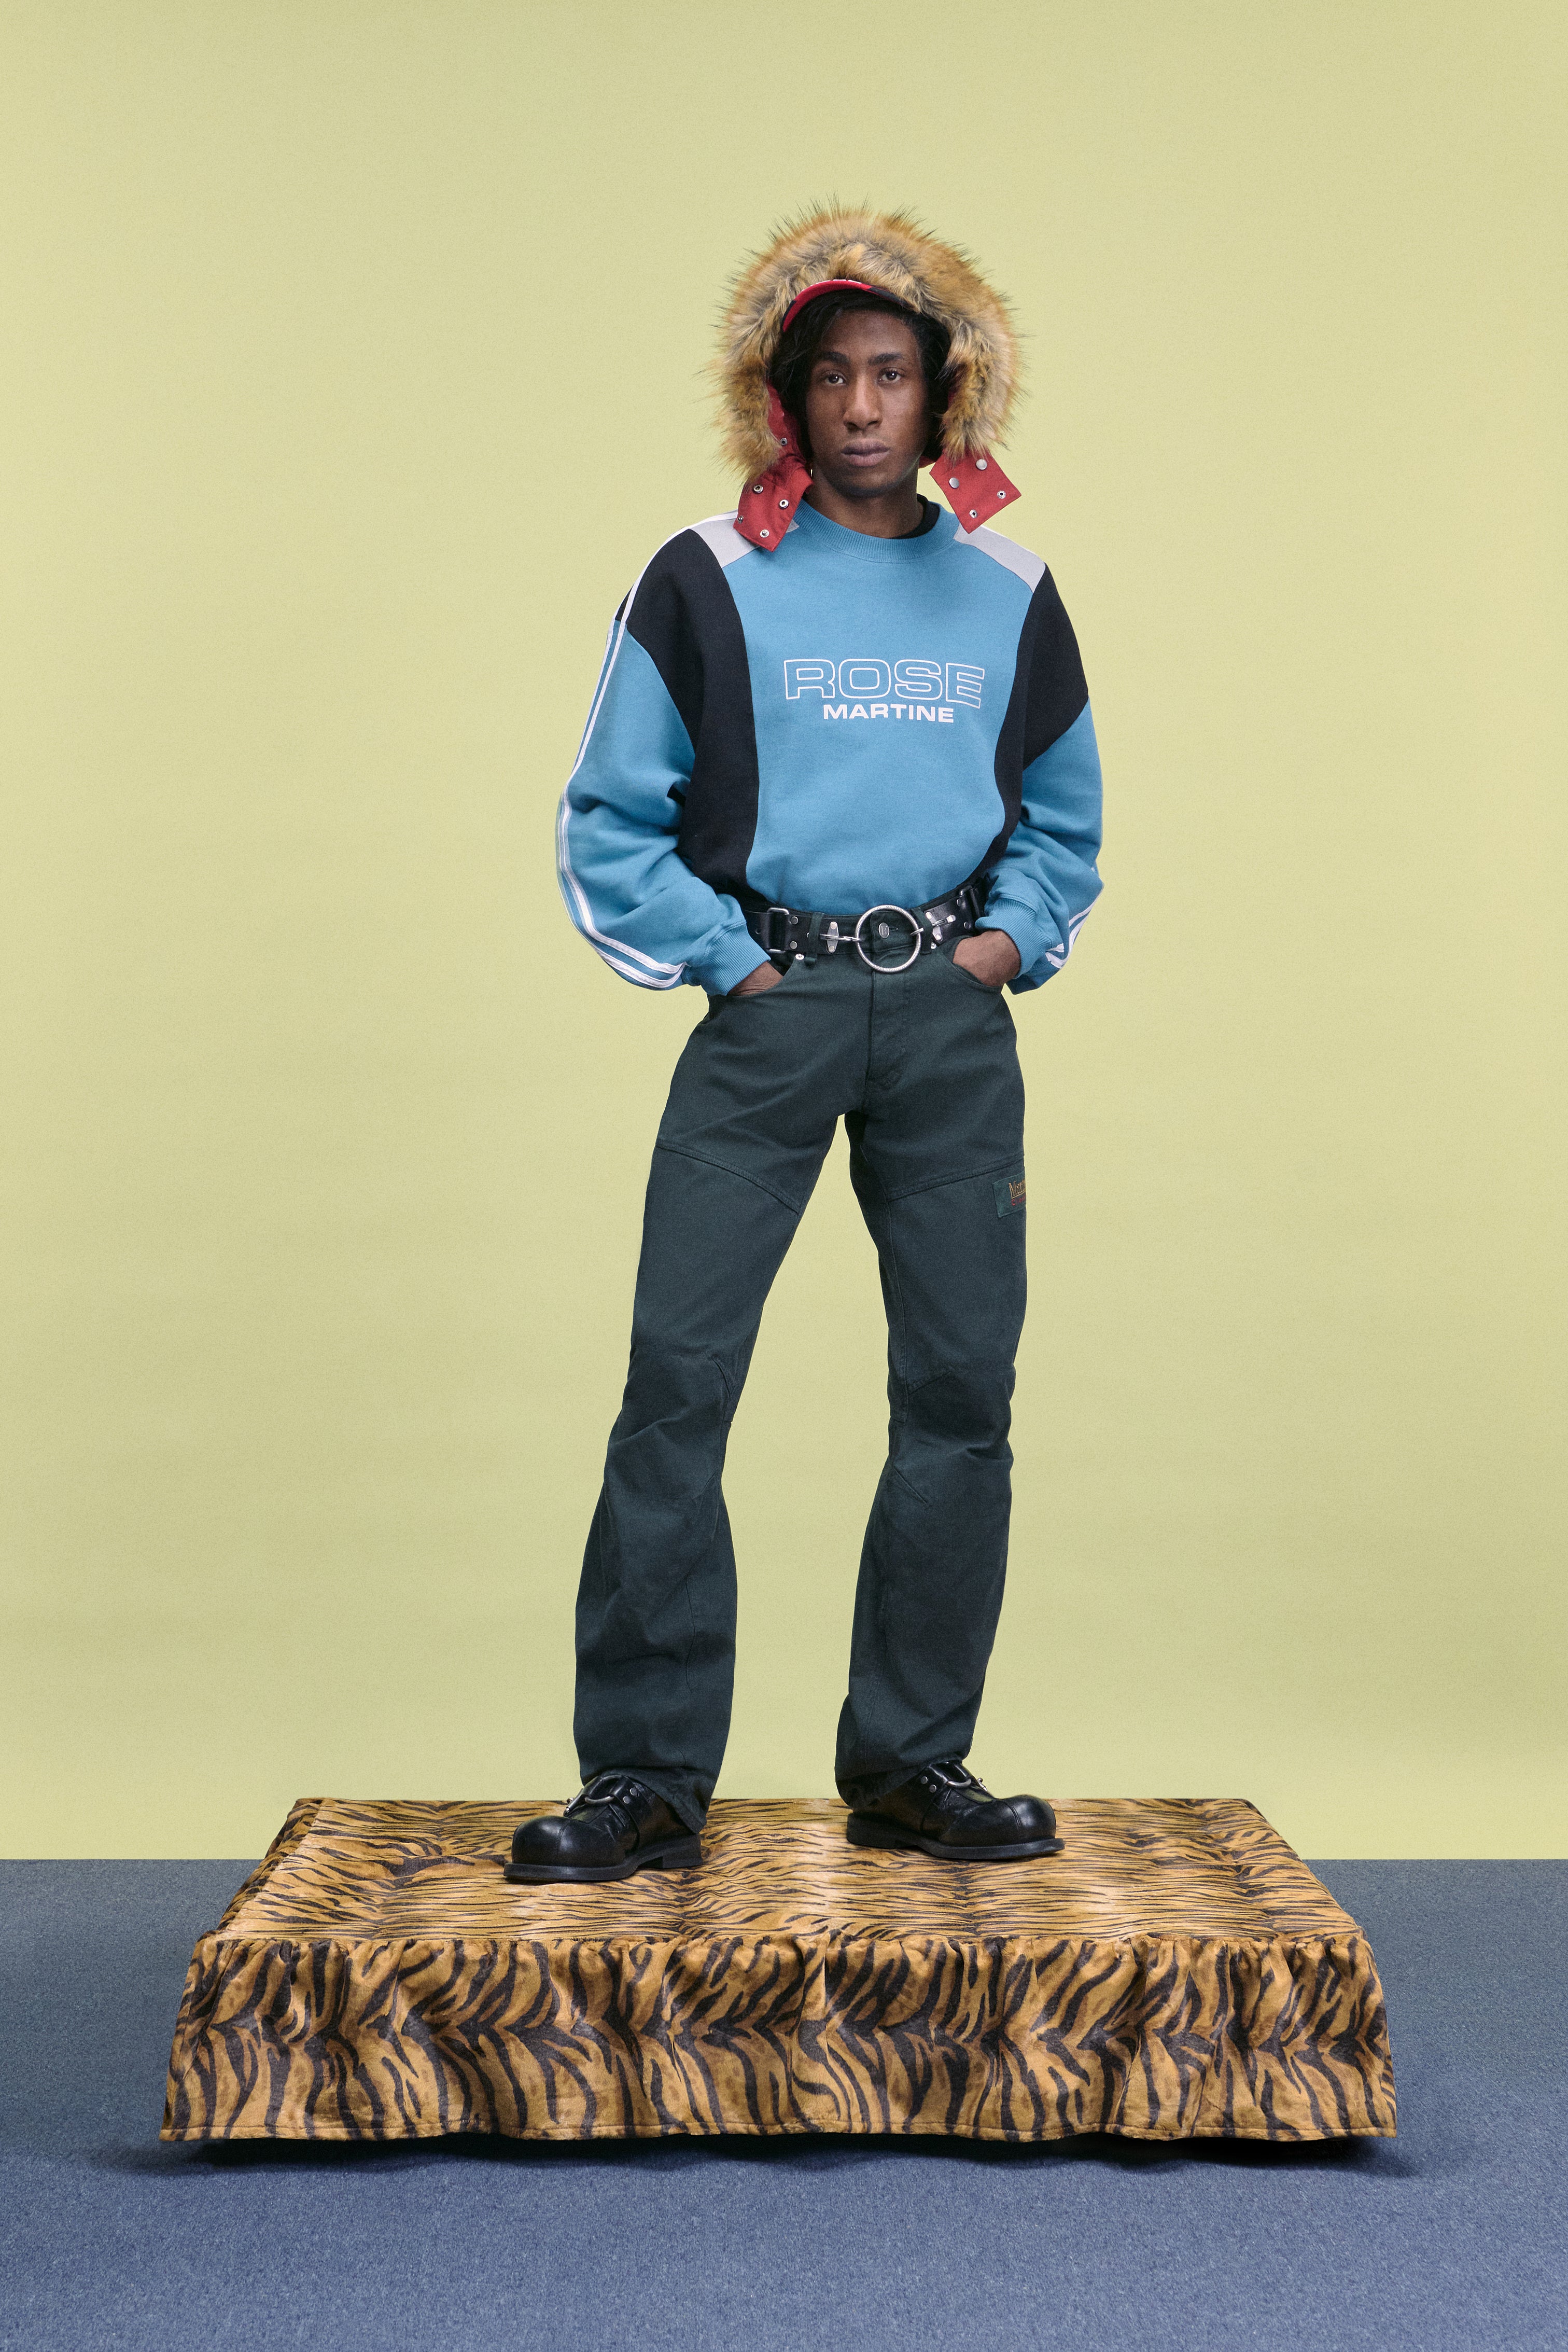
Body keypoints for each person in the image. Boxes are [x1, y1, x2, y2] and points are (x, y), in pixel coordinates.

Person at [510, 208, 1103, 1884]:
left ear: (945, 394)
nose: (860, 405)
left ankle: (914, 1764)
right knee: (677, 1385)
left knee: (960, 1393)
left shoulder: (1008, 588)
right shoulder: (705, 575)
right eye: (830, 375)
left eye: (892, 374)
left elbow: (1063, 817)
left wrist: (1004, 944)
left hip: (948, 1019)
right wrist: (727, 960)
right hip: (771, 1007)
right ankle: (643, 1779)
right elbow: (609, 815)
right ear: (783, 396)